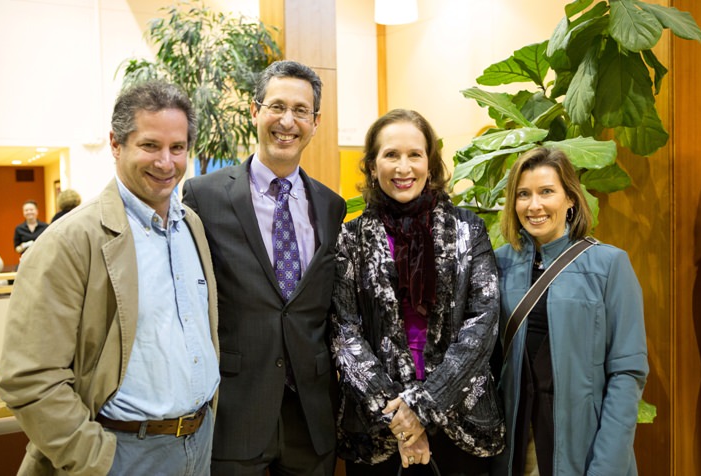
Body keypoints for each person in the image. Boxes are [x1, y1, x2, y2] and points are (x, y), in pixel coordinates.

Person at [0, 80, 220, 476]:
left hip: (198, 444)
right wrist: (98, 459)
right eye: (150, 146)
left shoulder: (193, 228)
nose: (166, 162)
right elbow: (28, 378)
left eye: (177, 148)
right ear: (116, 144)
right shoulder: (70, 241)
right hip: (122, 453)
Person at [182, 60, 347, 475]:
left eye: (300, 110)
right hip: (238, 410)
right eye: (276, 106)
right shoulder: (204, 196)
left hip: (311, 416)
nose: (287, 121)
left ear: (316, 122)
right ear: (255, 112)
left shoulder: (331, 206)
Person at [331, 109, 505, 475]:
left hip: (460, 421)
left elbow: (483, 324)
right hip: (378, 426)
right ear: (372, 165)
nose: (403, 167)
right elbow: (345, 334)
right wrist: (401, 418)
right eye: (390, 155)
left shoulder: (467, 231)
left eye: (415, 154)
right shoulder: (351, 237)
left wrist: (421, 410)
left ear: (431, 161)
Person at [491, 147, 648, 475]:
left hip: (585, 450)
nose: (534, 205)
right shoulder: (498, 264)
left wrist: (607, 465)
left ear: (571, 199)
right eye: (523, 194)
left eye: (546, 191)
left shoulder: (608, 265)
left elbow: (627, 371)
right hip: (517, 449)